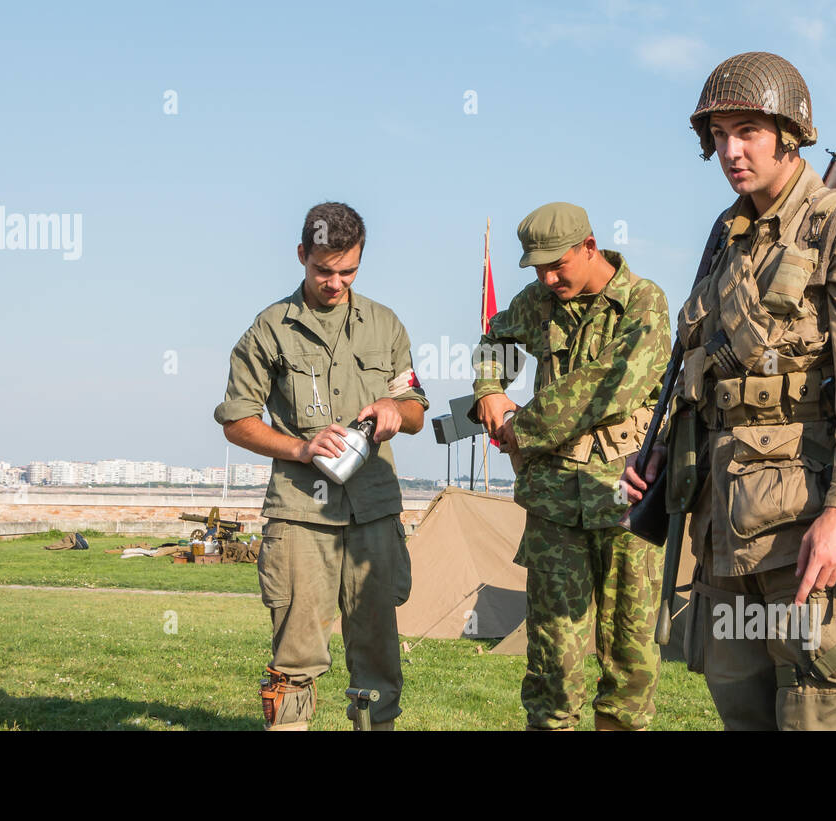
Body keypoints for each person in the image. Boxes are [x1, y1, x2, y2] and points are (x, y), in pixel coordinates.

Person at [623, 52, 836, 730]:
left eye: (747, 130)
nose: (730, 150)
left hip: (806, 522)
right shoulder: (728, 236)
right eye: (720, 134)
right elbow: (703, 368)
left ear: (789, 132)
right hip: (725, 520)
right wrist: (662, 447)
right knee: (740, 708)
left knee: (819, 707)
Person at [214, 202, 429, 731]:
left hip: (375, 512)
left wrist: (393, 412)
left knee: (378, 653)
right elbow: (237, 420)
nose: (335, 283)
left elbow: (418, 407)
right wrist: (301, 448)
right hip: (299, 517)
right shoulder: (268, 330)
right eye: (323, 270)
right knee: (295, 658)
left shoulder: (386, 325)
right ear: (301, 256)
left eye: (348, 271)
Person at [473, 202, 670, 730]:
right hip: (554, 501)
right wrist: (489, 389)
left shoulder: (643, 302)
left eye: (557, 264)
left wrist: (522, 427)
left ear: (589, 246)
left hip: (626, 495)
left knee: (630, 654)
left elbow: (607, 387)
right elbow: (492, 337)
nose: (547, 277)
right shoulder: (537, 301)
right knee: (551, 655)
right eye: (537, 267)